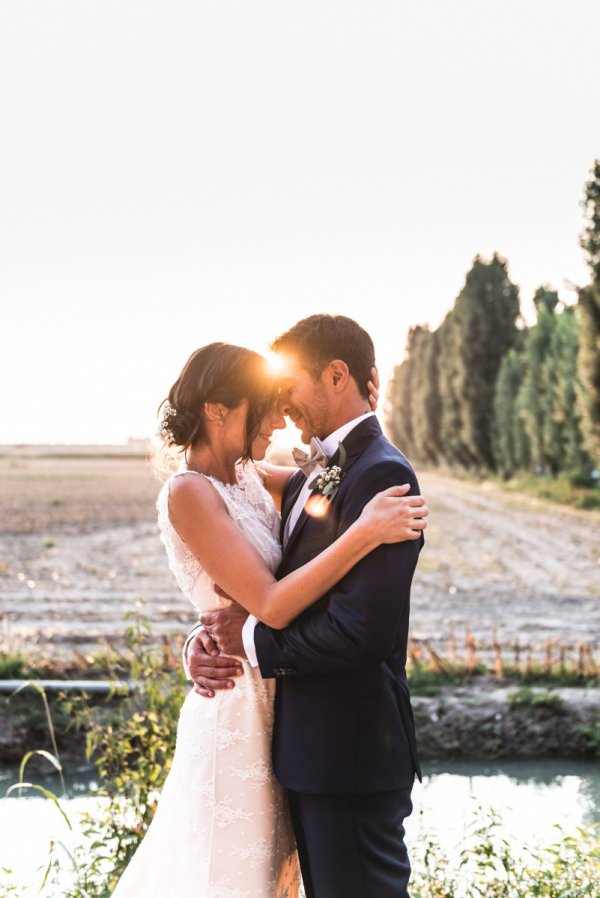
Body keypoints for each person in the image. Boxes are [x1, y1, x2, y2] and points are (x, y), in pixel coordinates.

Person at [111, 339, 428, 898]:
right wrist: (365, 533)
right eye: (267, 405)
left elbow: (335, 474)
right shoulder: (188, 492)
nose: (280, 421)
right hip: (236, 711)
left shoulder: (252, 478)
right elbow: (271, 603)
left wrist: (358, 408)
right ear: (216, 409)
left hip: (287, 720)